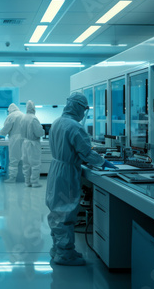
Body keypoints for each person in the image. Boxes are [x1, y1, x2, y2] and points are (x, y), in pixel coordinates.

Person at [46, 92, 117, 266]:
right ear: (78, 107)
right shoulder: (74, 127)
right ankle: (64, 254)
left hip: (56, 169)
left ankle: (59, 249)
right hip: (67, 172)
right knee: (66, 212)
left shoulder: (57, 122)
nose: (84, 113)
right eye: (84, 109)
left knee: (56, 211)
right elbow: (85, 152)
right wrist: (103, 162)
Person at [20, 101, 45, 187]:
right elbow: (39, 133)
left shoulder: (23, 118)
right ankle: (34, 182)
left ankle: (27, 182)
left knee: (26, 164)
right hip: (33, 144)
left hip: (25, 143)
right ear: (34, 108)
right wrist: (43, 131)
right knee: (35, 163)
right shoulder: (34, 119)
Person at [0, 103, 24, 183]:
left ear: (9, 110)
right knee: (23, 159)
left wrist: (0, 134)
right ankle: (24, 177)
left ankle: (12, 178)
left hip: (15, 139)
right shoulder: (23, 115)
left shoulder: (11, 116)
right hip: (25, 139)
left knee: (13, 159)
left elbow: (6, 128)